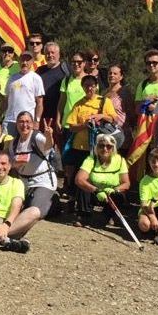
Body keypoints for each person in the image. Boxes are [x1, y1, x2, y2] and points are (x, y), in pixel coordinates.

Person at [63, 74, 117, 219]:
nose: (89, 88)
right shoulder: (78, 104)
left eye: (92, 85)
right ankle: (82, 210)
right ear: (82, 87)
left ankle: (104, 209)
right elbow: (71, 126)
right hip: (80, 147)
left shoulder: (104, 101)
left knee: (99, 178)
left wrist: (100, 116)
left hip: (100, 148)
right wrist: (84, 125)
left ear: (96, 86)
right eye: (86, 85)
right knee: (81, 179)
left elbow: (114, 118)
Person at [5, 111, 57, 242]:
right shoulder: (13, 143)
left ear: (33, 124)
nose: (24, 125)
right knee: (12, 207)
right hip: (23, 182)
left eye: (27, 122)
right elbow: (10, 165)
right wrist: (16, 164)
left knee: (34, 209)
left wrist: (49, 136)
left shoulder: (37, 137)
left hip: (42, 181)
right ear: (16, 124)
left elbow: (48, 146)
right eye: (21, 121)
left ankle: (7, 234)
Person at [74, 134, 130, 226]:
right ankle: (84, 215)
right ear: (96, 147)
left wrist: (115, 190)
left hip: (111, 194)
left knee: (119, 196)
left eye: (109, 146)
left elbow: (126, 183)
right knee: (82, 187)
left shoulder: (120, 160)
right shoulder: (91, 159)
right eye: (101, 146)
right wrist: (96, 190)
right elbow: (79, 179)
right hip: (95, 192)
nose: (105, 149)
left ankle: (108, 215)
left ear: (113, 148)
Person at [3, 51, 45, 137]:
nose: (24, 63)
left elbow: (40, 103)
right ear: (18, 61)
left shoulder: (36, 78)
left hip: (26, 122)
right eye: (22, 60)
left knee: (25, 148)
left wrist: (36, 121)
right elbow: (6, 100)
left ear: (32, 62)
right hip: (10, 121)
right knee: (7, 147)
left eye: (27, 60)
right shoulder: (12, 78)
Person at [37, 42, 69, 131]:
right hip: (43, 116)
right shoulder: (39, 71)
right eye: (47, 53)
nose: (50, 55)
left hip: (60, 117)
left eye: (52, 52)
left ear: (59, 54)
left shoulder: (66, 71)